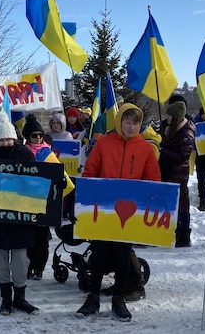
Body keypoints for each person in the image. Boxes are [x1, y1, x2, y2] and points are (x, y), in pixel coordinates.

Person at [76, 103, 161, 322]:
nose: (130, 127)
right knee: (100, 253)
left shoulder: (144, 149)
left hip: (130, 213)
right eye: (127, 122)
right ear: (119, 122)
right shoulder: (104, 143)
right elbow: (90, 171)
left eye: (135, 123)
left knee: (123, 254)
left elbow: (153, 180)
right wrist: (88, 197)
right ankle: (93, 297)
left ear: (139, 125)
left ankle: (119, 298)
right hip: (104, 210)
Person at [0, 112, 39, 316]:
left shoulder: (25, 154)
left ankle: (21, 297)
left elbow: (36, 181)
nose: (6, 143)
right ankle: (6, 299)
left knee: (20, 259)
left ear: (14, 138)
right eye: (2, 139)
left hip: (20, 218)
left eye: (8, 138)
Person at [21, 114, 74, 280]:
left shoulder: (47, 153)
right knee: (27, 236)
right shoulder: (22, 154)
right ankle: (28, 265)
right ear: (27, 138)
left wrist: (63, 184)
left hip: (44, 201)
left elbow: (61, 175)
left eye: (40, 135)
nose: (37, 138)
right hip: (26, 201)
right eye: (34, 136)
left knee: (42, 237)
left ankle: (38, 268)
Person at [159, 101, 196, 247]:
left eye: (169, 115)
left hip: (178, 175)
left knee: (181, 205)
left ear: (175, 117)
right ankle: (170, 232)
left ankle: (184, 236)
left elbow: (183, 156)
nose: (166, 118)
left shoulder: (186, 132)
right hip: (169, 172)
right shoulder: (172, 129)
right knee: (171, 204)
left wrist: (163, 150)